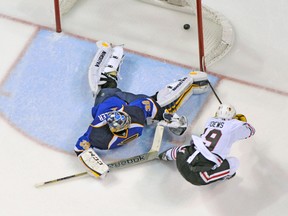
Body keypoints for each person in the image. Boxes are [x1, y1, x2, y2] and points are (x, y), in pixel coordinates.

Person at [74, 41, 210, 178]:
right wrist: (96, 167)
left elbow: (152, 107)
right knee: (106, 83)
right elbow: (80, 147)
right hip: (109, 102)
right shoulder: (98, 133)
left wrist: (169, 118)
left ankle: (190, 82)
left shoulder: (135, 113)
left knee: (163, 104)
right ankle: (115, 54)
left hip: (126, 101)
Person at [158, 104, 256, 185]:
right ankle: (225, 175)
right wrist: (241, 123)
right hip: (199, 177)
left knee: (183, 149)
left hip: (181, 163)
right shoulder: (234, 125)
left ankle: (165, 155)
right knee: (235, 162)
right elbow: (251, 131)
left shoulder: (210, 121)